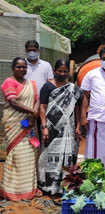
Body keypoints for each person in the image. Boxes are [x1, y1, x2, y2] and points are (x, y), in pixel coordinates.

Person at [37, 59, 83, 195]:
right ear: (55, 71)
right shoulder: (47, 86)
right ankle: (46, 185)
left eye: (65, 71)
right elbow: (42, 107)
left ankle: (65, 185)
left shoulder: (73, 89)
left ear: (68, 73)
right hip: (51, 128)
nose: (62, 73)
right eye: (59, 71)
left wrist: (79, 125)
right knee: (47, 156)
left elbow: (77, 108)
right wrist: (44, 126)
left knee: (67, 157)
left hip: (68, 128)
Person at [0, 57, 41, 200]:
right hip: (14, 124)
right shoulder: (8, 82)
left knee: (30, 154)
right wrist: (32, 112)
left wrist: (33, 116)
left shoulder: (31, 84)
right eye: (18, 67)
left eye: (24, 67)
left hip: (29, 124)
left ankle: (30, 189)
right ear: (13, 68)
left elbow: (37, 99)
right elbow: (13, 101)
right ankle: (11, 190)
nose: (21, 69)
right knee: (16, 155)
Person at [24, 40, 53, 138]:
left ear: (38, 50)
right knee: (26, 129)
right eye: (29, 50)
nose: (32, 52)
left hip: (42, 104)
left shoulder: (46, 65)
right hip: (25, 104)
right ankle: (28, 151)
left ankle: (41, 150)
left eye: (34, 50)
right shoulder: (22, 65)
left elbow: (50, 83)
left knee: (43, 129)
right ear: (26, 51)